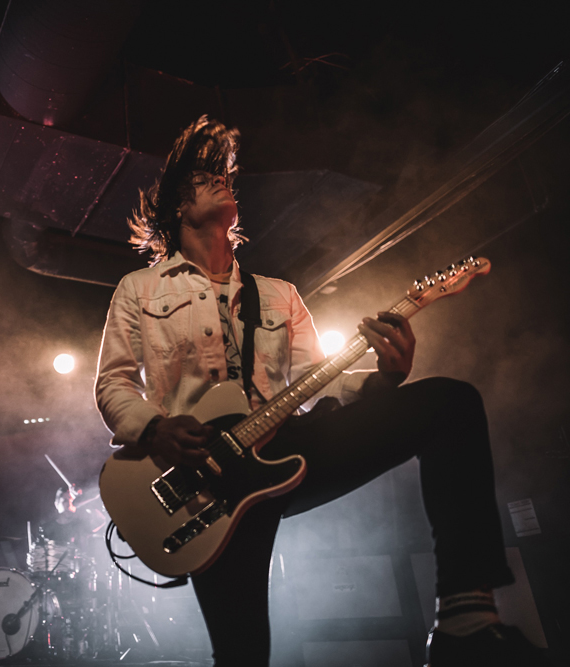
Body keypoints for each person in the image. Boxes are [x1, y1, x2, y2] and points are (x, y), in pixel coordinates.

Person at [94, 117, 554, 666]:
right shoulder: (140, 289)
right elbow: (113, 382)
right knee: (243, 655)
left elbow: (321, 380)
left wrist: (385, 375)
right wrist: (155, 429)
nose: (221, 180)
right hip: (208, 483)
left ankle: (465, 617)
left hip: (291, 447)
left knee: (449, 403)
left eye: (225, 176)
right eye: (202, 177)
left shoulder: (278, 295)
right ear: (175, 206)